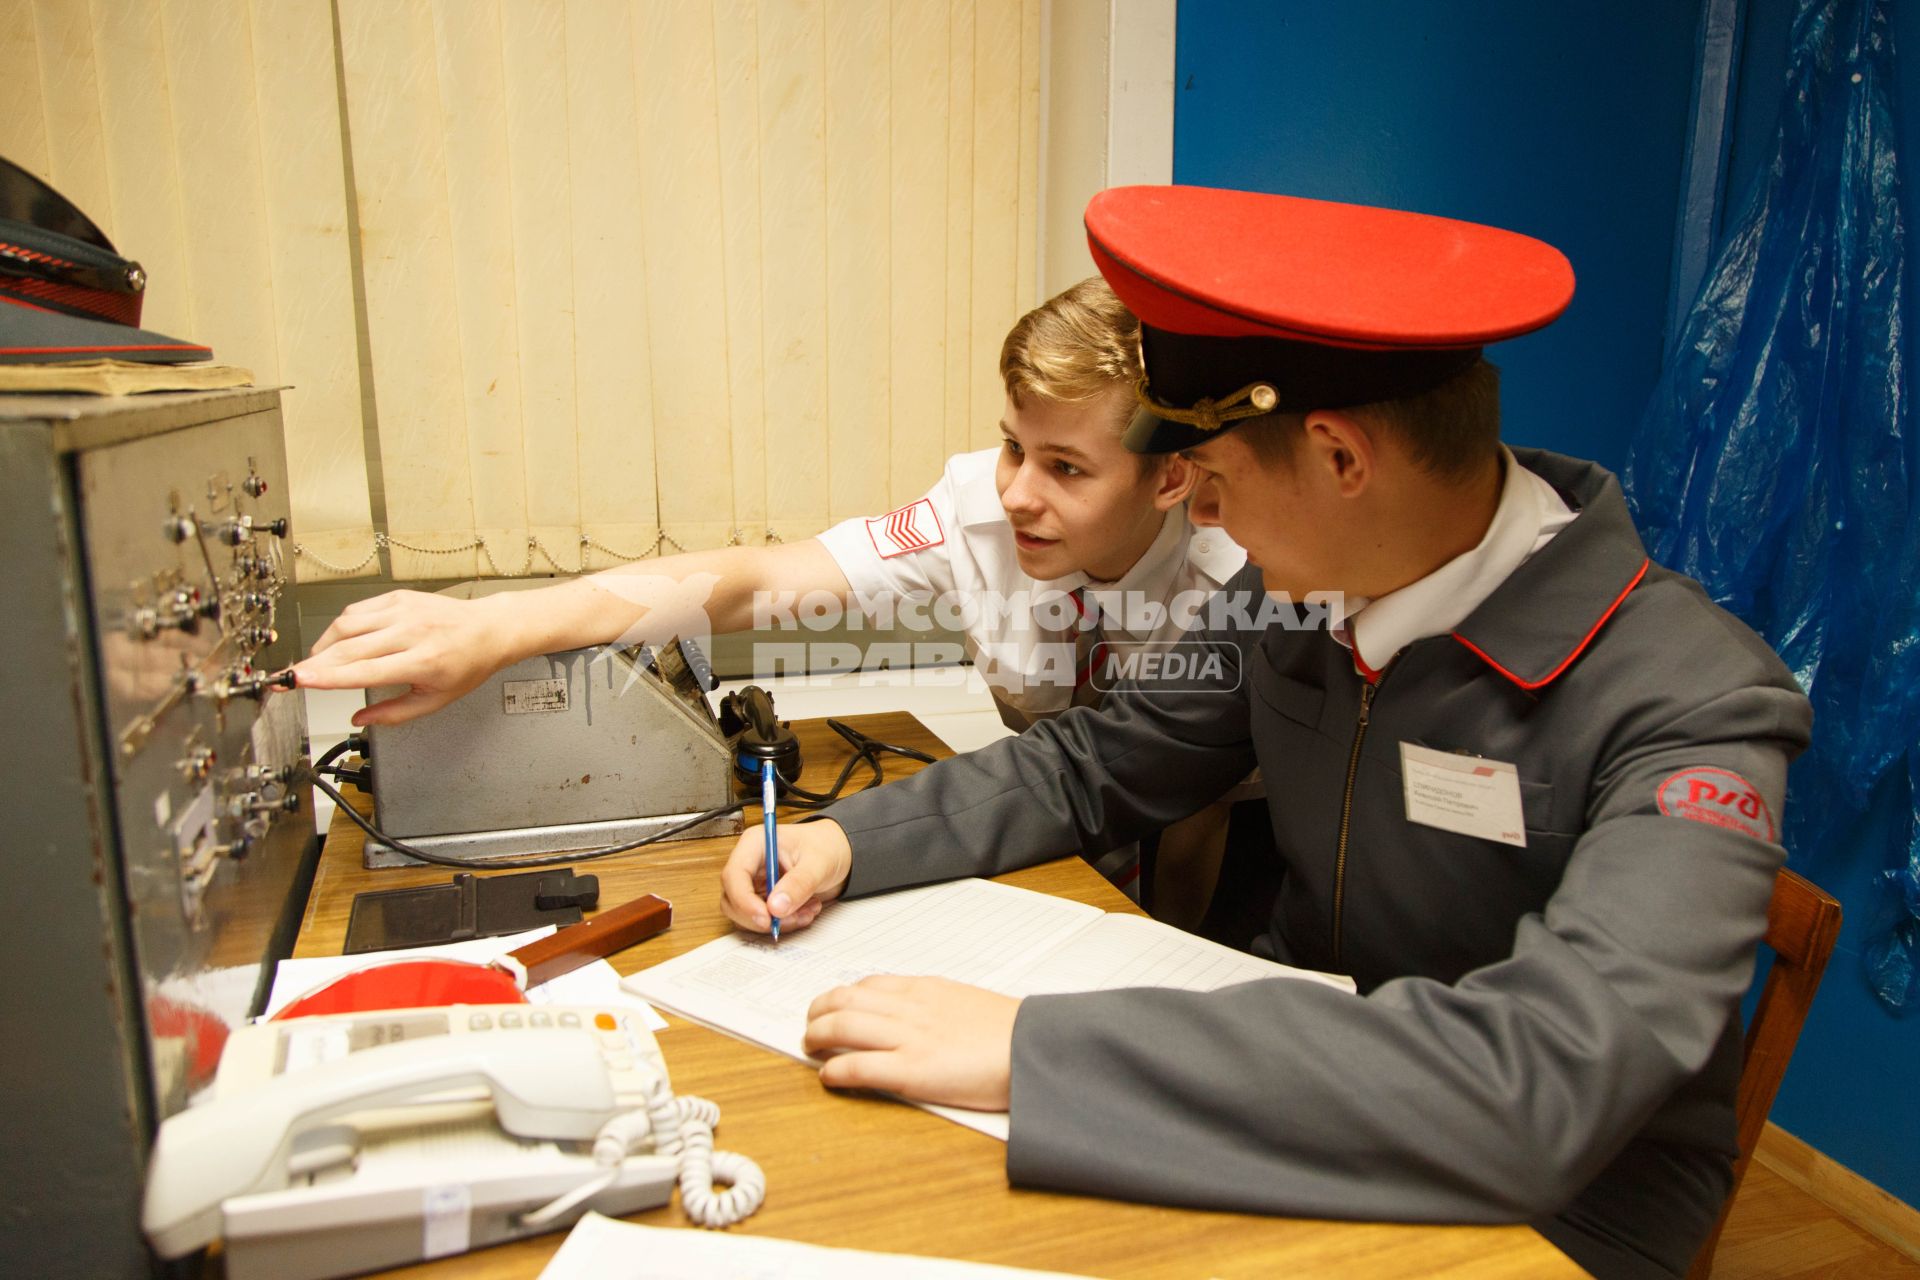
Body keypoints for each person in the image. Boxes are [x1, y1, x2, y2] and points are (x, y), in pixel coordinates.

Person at [717, 187, 1813, 1280]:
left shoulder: (1694, 703)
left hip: (1556, 1207)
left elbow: (1545, 1080)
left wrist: (1037, 1050)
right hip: (1278, 1073)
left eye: (1218, 483)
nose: (1203, 521)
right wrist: (851, 838)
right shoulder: (1295, 597)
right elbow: (1100, 759)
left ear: (1340, 457)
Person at [292, 277, 1247, 894]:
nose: (1017, 493)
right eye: (1011, 446)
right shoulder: (979, 508)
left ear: (1169, 477)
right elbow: (751, 584)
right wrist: (506, 624)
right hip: (1061, 831)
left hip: (1212, 863)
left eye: (1066, 470)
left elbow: (1196, 808)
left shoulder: (1242, 570)